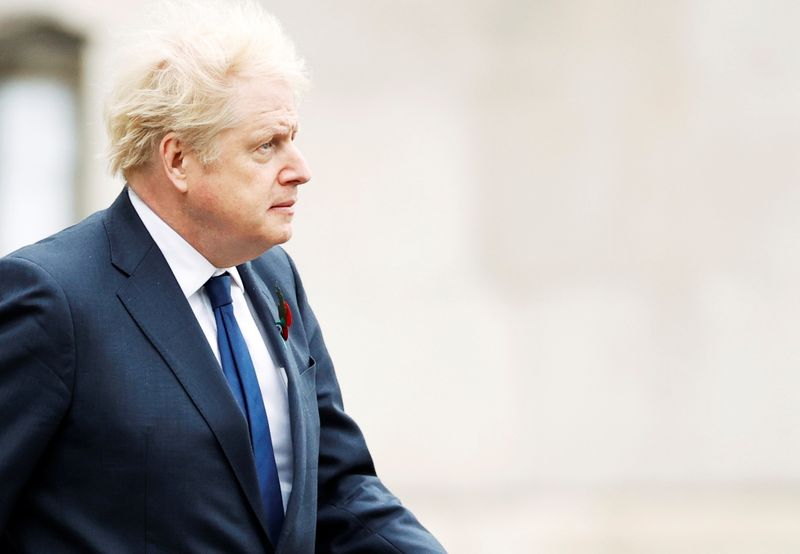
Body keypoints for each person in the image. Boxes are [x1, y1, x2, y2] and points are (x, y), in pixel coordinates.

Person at [0, 1, 445, 552]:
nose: (300, 169)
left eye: (292, 138)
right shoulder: (50, 297)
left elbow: (336, 487)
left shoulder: (273, 275)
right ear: (178, 160)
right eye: (267, 145)